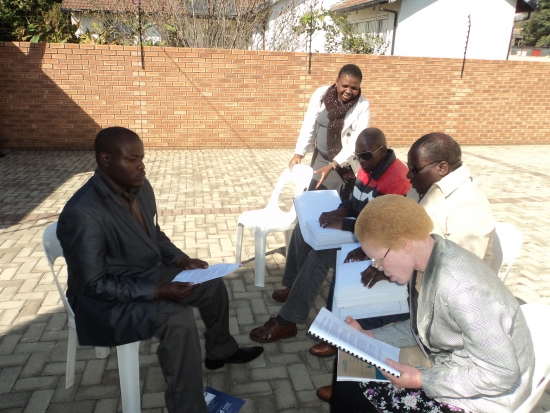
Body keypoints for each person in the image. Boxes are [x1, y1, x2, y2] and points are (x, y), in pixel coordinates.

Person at [57, 127, 263, 413]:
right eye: (132, 159)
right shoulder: (83, 212)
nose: (142, 166)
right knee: (177, 319)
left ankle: (220, 350)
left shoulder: (140, 186)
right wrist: (158, 291)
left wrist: (180, 260)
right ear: (105, 159)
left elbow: (154, 233)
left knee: (211, 284)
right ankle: (188, 407)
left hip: (142, 273)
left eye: (142, 158)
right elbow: (92, 284)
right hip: (105, 303)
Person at [314, 132, 497, 401]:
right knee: (348, 304)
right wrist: (380, 263)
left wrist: (394, 273)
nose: (408, 176)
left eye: (414, 169)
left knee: (360, 319)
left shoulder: (468, 206)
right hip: (415, 290)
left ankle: (352, 383)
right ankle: (347, 382)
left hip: (438, 311)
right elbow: (399, 234)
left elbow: (456, 280)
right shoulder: (423, 188)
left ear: (442, 168)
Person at [330, 195, 534, 413]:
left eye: (379, 260)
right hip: (458, 367)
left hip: (488, 397)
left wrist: (421, 379)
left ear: (404, 244)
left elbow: (501, 373)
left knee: (356, 393)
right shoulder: (427, 262)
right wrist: (373, 337)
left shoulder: (461, 288)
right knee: (348, 374)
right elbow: (424, 326)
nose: (378, 268)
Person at [249, 128, 410, 343]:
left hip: (377, 242)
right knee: (304, 227)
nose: (360, 161)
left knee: (322, 255)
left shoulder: (397, 180)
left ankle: (288, 321)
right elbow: (355, 202)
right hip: (358, 229)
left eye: (365, 156)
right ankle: (293, 286)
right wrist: (341, 210)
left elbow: (382, 228)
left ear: (382, 150)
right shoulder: (367, 165)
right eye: (357, 155)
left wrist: (342, 223)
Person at [289, 64, 370, 199]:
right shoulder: (321, 95)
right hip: (319, 158)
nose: (349, 91)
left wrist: (333, 164)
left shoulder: (362, 106)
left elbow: (355, 142)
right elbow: (309, 123)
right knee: (312, 197)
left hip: (341, 164)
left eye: (354, 88)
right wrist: (298, 153)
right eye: (345, 85)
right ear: (337, 81)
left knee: (331, 202)